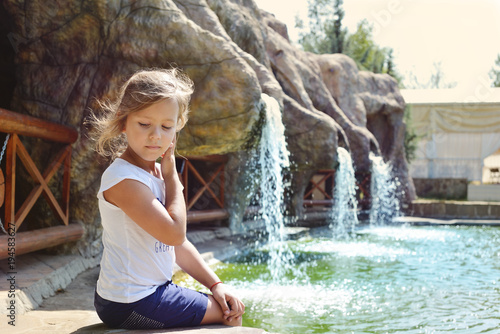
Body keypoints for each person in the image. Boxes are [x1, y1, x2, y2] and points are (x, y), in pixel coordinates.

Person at [88, 68, 245, 329]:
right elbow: (174, 234)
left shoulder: (154, 173)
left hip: (148, 294)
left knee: (226, 303)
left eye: (166, 126)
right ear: (123, 121)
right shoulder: (125, 179)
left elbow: (177, 246)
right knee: (230, 315)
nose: (156, 136)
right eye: (144, 124)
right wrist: (173, 178)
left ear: (178, 125)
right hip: (131, 302)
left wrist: (216, 284)